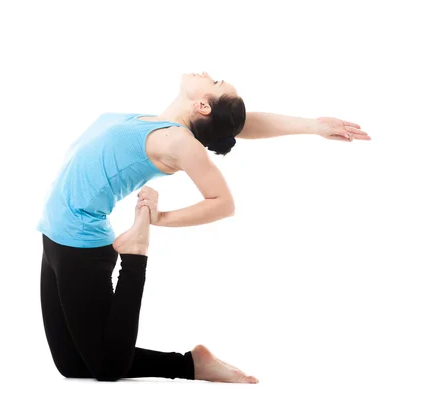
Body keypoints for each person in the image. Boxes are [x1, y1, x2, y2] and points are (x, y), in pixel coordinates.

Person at [37, 71, 370, 383]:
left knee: (107, 368)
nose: (208, 73)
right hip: (53, 235)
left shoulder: (177, 142)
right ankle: (194, 365)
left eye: (216, 80)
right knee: (72, 364)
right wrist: (313, 125)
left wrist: (157, 219)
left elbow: (222, 202)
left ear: (202, 104)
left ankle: (136, 256)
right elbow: (241, 124)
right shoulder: (159, 123)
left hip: (80, 244)